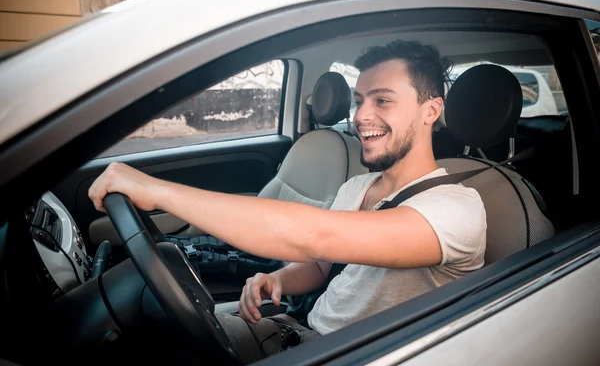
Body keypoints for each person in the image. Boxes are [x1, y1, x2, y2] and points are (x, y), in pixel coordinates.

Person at [88, 40, 487, 363]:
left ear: (430, 109)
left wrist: (158, 191)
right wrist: (278, 279)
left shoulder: (455, 208)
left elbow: (316, 236)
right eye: (359, 99)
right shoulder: (358, 187)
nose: (361, 115)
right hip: (297, 332)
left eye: (382, 100)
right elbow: (319, 263)